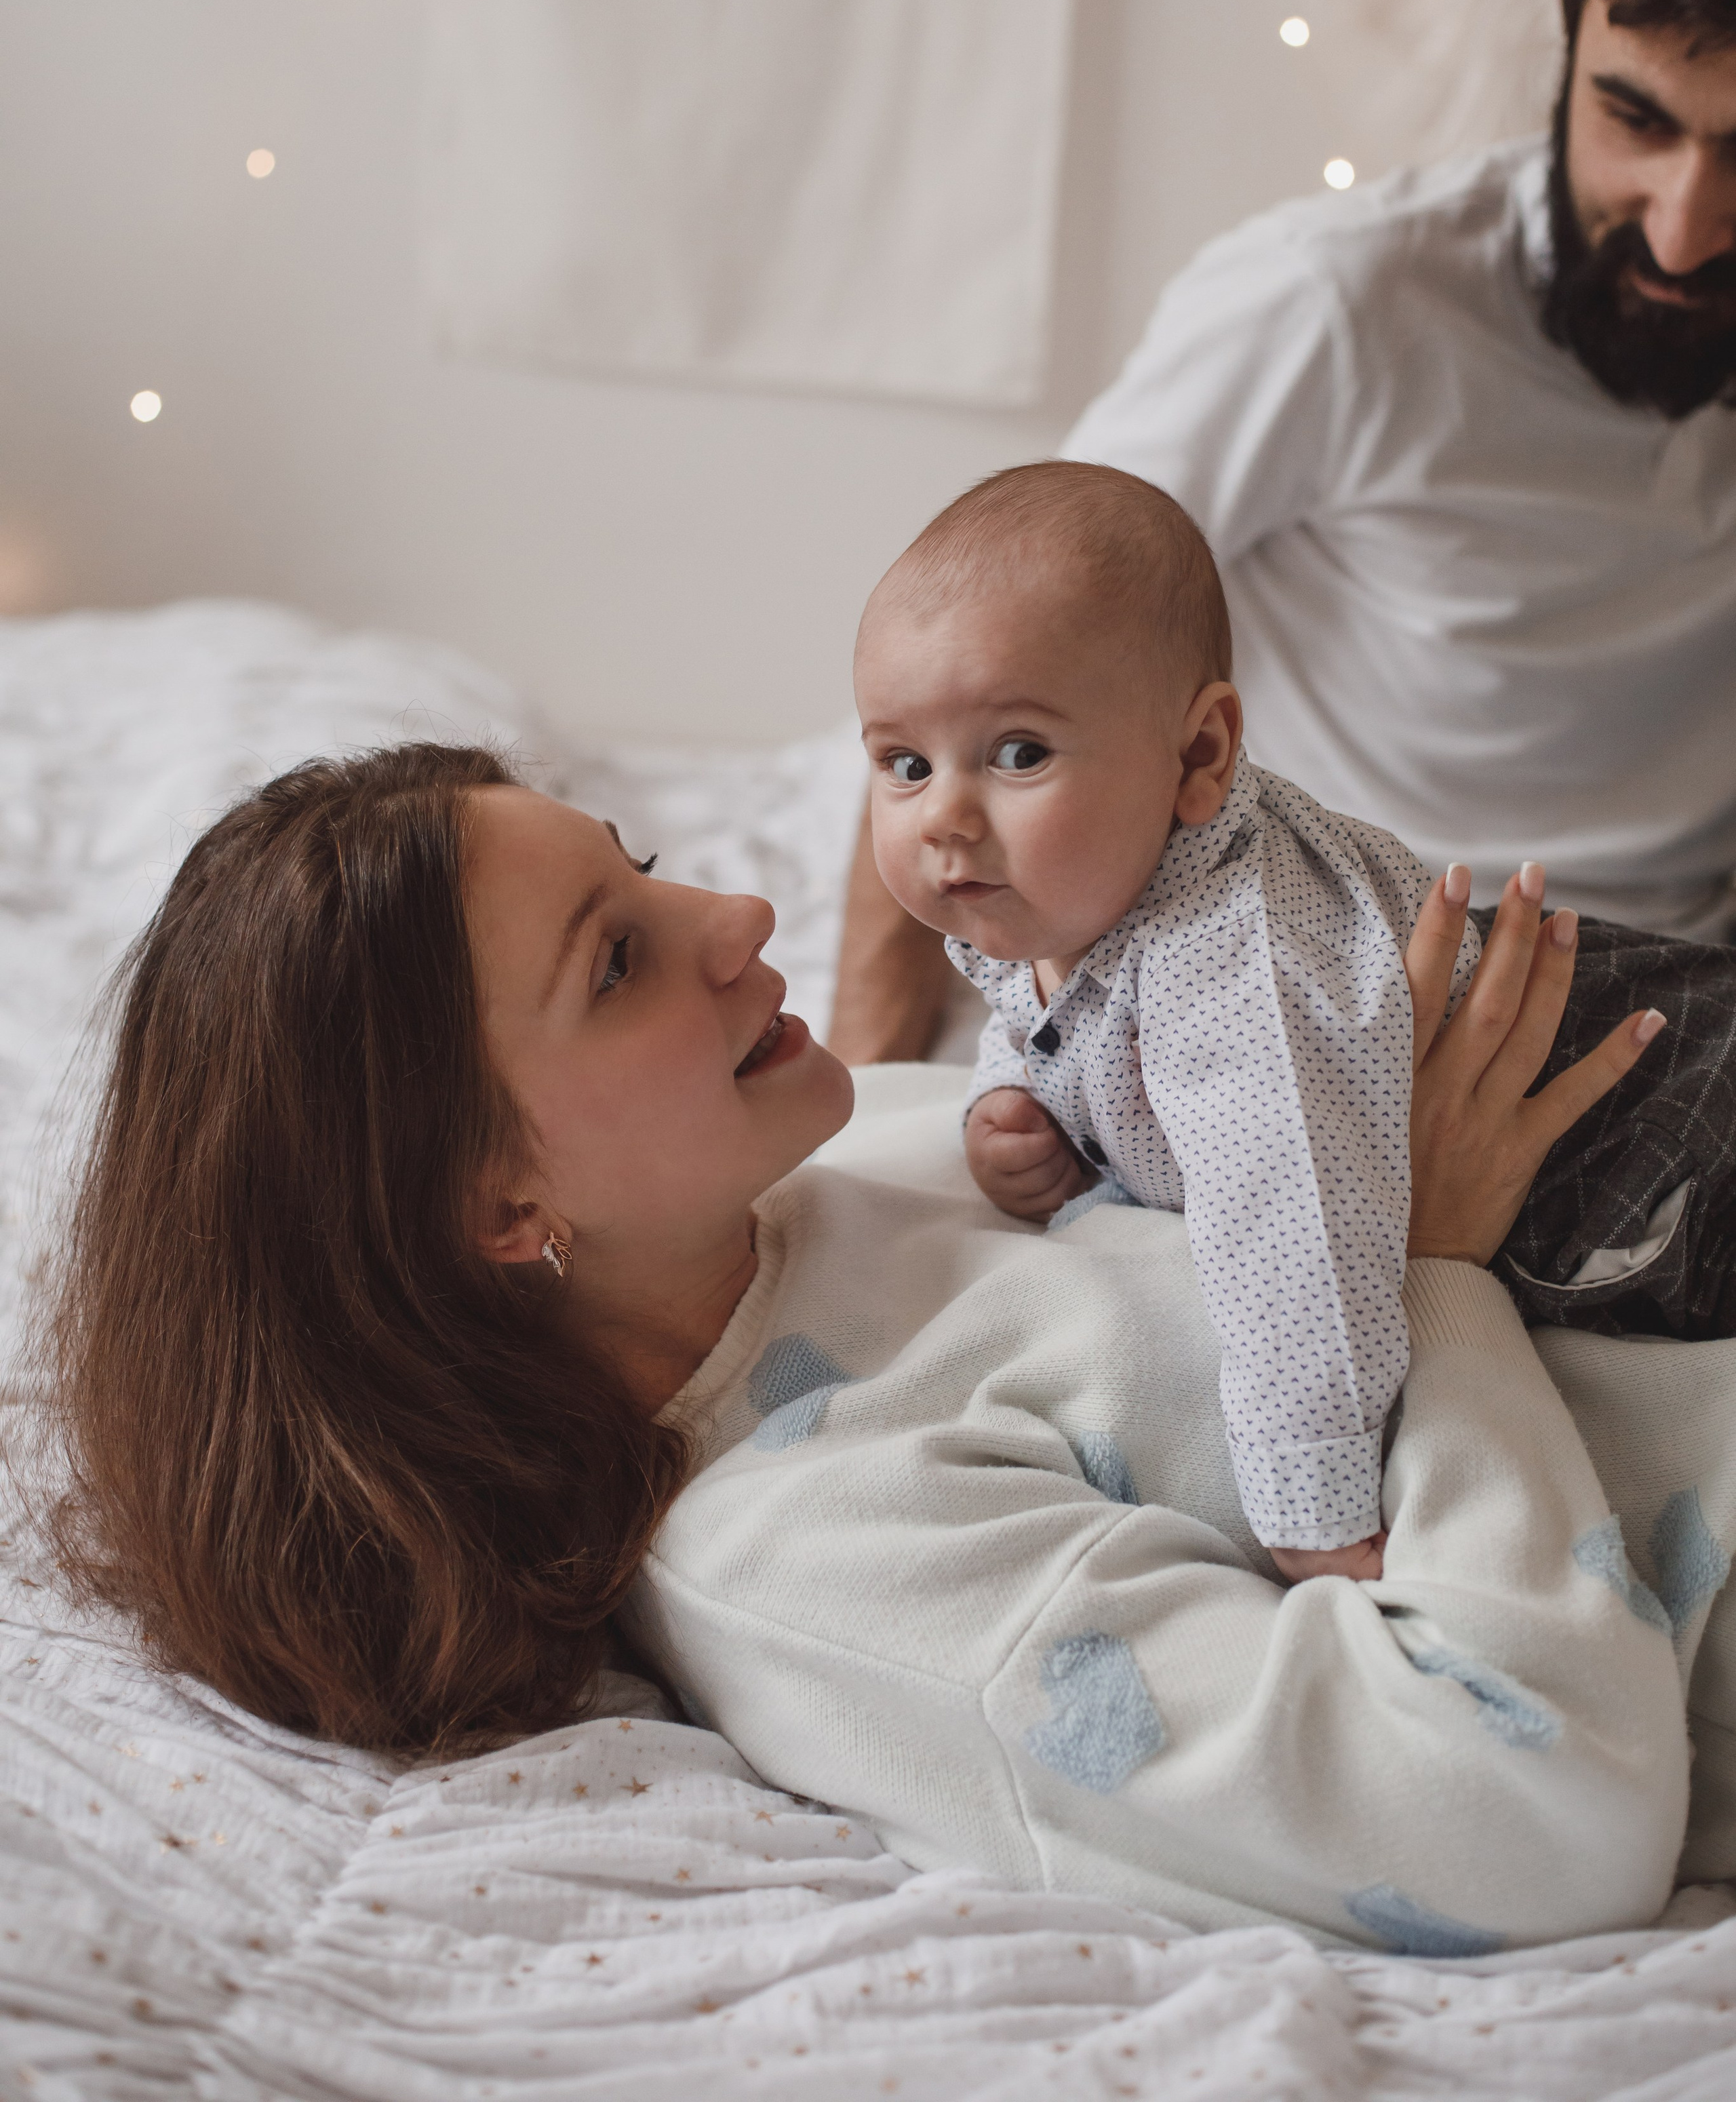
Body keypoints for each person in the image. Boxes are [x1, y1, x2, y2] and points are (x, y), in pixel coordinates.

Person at [39, 740, 1729, 1949]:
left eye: (638, 856)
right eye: (620, 958)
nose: (738, 913)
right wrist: (1421, 1258)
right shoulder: (823, 1555)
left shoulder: (832, 1170)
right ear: (497, 1206)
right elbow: (1532, 1818)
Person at [829, 0, 1736, 1069]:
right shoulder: (1340, 303)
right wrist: (875, 1097)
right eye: (1630, 118)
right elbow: (978, 664)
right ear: (1563, 8)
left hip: (1693, 989)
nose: (1683, 225)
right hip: (1377, 981)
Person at [854, 456, 1736, 1581]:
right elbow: (1041, 999)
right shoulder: (1061, 897)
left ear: (1201, 756)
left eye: (1018, 753)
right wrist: (1015, 1100)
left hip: (1628, 1132)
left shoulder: (1233, 966)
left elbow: (1294, 1226)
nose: (944, 818)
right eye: (903, 763)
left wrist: (1313, 1503)